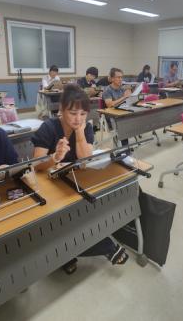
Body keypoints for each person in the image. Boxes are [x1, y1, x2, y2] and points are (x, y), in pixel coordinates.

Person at [31, 84, 129, 273]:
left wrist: (79, 132)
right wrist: (54, 157)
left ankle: (70, 253)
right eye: (73, 113)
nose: (78, 119)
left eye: (83, 114)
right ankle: (100, 246)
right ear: (61, 110)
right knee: (63, 220)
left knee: (87, 209)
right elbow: (35, 165)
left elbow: (84, 161)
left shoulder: (85, 128)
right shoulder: (49, 127)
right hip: (50, 186)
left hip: (73, 182)